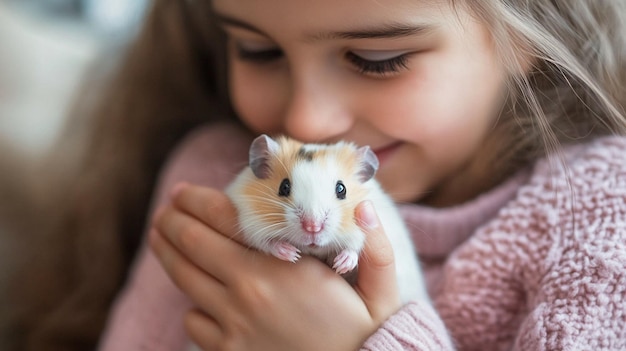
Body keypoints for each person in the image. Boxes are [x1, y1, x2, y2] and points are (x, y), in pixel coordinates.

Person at [7, 0, 626, 350]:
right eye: (258, 49)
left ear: (527, 36)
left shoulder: (595, 212)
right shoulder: (211, 180)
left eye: (376, 59)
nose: (307, 117)